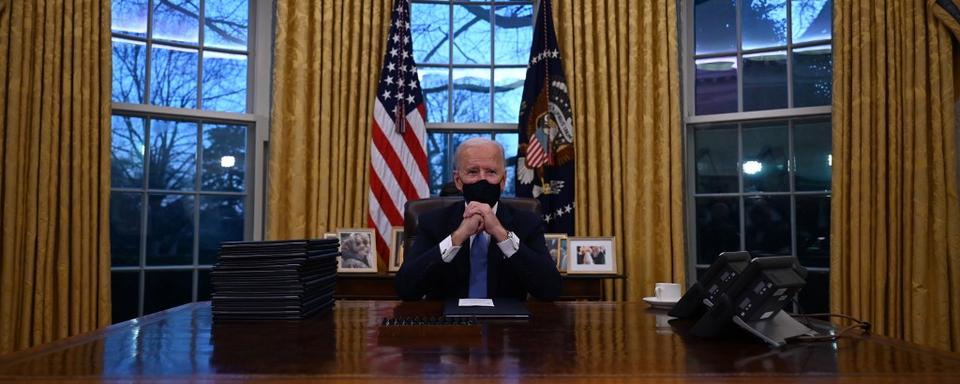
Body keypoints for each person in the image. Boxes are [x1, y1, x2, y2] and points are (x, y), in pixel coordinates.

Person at [395, 138, 562, 301]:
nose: (482, 179)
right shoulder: (433, 222)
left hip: (508, 325)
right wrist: (458, 236)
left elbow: (550, 289)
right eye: (473, 172)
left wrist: (501, 233)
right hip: (447, 325)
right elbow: (405, 289)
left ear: (503, 180)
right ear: (458, 181)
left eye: (491, 172)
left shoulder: (527, 223)